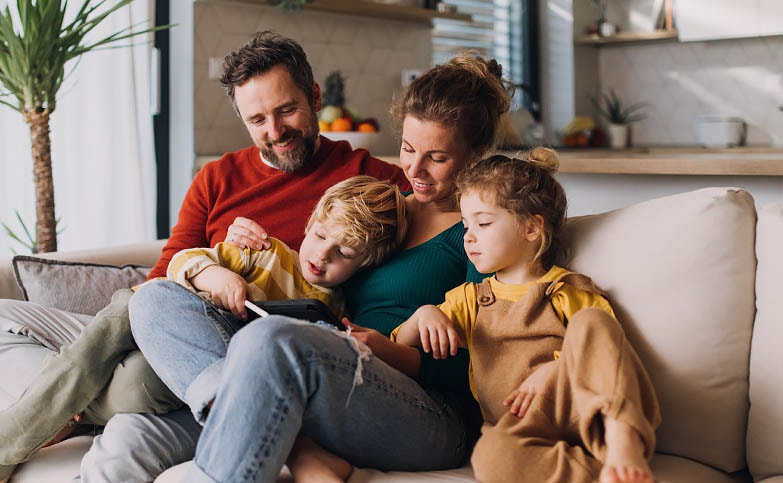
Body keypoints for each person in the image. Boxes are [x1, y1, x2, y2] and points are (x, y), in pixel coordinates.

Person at [0, 30, 408, 482]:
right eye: (257, 120)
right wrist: (213, 264)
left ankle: (56, 406)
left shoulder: (370, 181)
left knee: (141, 382)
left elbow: (440, 223)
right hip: (168, 312)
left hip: (232, 346)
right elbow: (163, 273)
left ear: (313, 97)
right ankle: (71, 390)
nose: (275, 132)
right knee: (15, 314)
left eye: (286, 110)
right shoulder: (217, 178)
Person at [128, 52, 514, 482]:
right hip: (338, 378)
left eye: (437, 158)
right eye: (407, 149)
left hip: (430, 411)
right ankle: (286, 435)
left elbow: (493, 365)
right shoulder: (379, 209)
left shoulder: (481, 231)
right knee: (154, 300)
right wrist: (238, 252)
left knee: (274, 339)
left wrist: (396, 353)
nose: (415, 170)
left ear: (477, 153)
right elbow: (314, 268)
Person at [393, 150, 662, 483]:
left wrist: (556, 369)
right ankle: (606, 474)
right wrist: (424, 314)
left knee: (592, 322)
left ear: (532, 228)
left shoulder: (566, 289)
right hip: (518, 426)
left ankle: (624, 440)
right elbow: (401, 341)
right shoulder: (470, 299)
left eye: (483, 223)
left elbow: (610, 352)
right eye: (466, 225)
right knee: (489, 458)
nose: (469, 236)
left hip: (580, 407)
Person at [134, 175, 408, 424]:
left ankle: (237, 413)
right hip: (198, 329)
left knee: (139, 389)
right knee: (139, 304)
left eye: (344, 253)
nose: (323, 254)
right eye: (320, 236)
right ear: (309, 224)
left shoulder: (340, 309)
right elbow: (181, 260)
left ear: (363, 265)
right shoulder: (267, 253)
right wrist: (216, 276)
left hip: (246, 369)